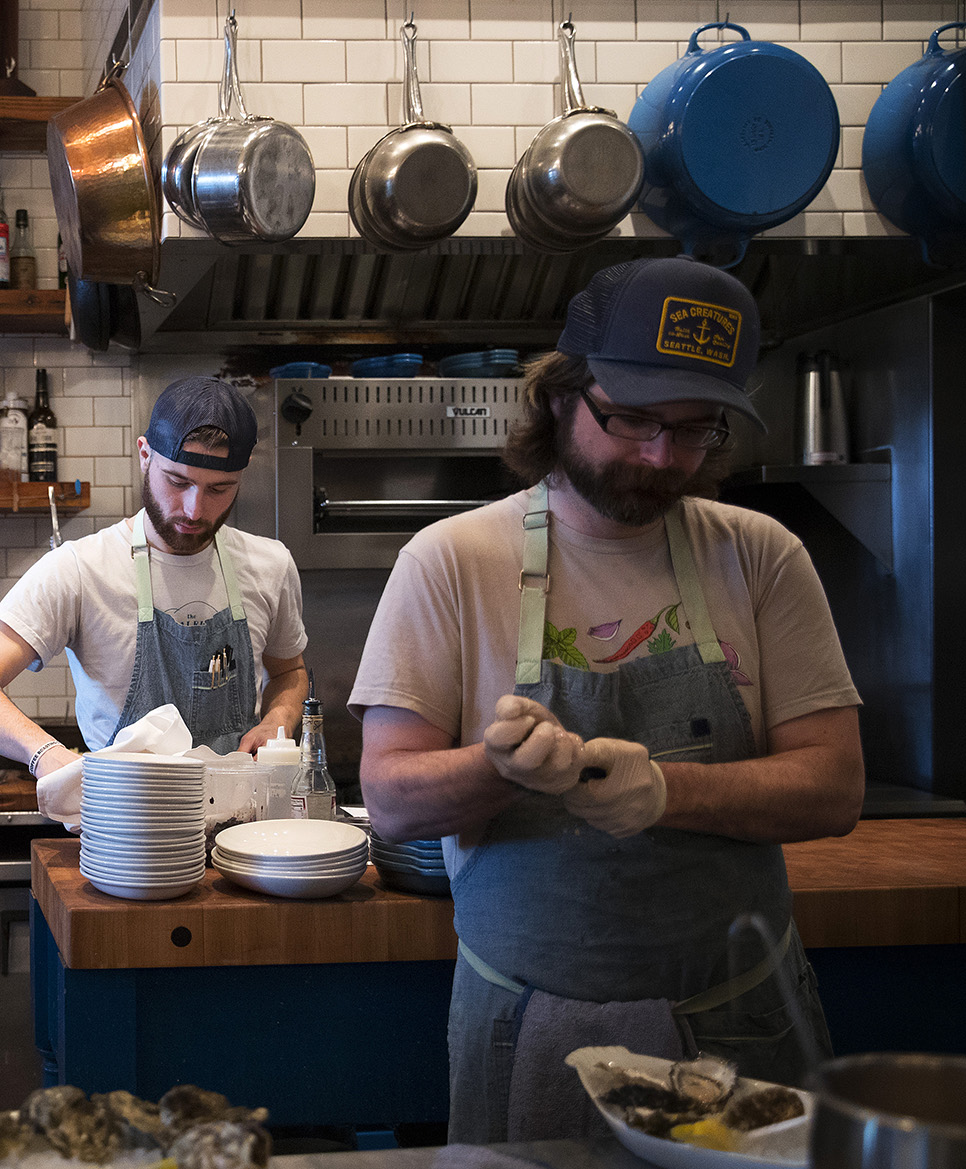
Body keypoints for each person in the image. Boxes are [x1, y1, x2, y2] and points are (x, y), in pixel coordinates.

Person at [350, 256, 864, 1143]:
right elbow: (391, 797)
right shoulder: (451, 560)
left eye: (697, 430)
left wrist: (667, 792)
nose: (663, 457)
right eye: (632, 421)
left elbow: (835, 785)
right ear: (560, 399)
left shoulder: (761, 553)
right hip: (525, 1028)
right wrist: (499, 767)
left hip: (742, 1024)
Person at [0, 376, 308, 781]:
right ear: (144, 455)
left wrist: (279, 719)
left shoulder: (270, 565)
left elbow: (289, 672)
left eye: (220, 489)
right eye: (178, 481)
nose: (194, 509)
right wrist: (45, 754)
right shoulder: (80, 570)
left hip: (242, 827)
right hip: (126, 828)